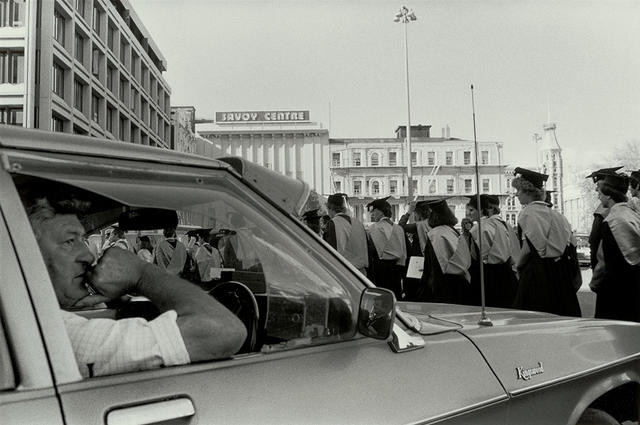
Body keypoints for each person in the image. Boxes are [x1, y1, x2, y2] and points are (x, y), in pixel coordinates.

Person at [23, 191, 246, 378]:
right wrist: (140, 274)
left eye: (83, 240)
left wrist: (120, 301)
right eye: (69, 241)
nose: (88, 255)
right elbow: (225, 331)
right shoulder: (62, 335)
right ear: (24, 254)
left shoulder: (31, 323)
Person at [511, 167, 581, 316]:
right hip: (561, 274)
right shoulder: (557, 215)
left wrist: (518, 265)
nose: (516, 194)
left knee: (534, 317)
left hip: (538, 273)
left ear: (527, 191)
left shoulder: (527, 213)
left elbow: (529, 248)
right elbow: (571, 245)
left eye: (518, 190)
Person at [589, 171, 640, 322]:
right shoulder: (633, 215)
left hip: (615, 289)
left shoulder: (612, 220)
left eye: (599, 192)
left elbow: (602, 261)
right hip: (635, 285)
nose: (598, 196)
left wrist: (594, 283)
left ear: (608, 194)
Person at [467, 194, 519, 308]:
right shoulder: (503, 224)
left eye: (471, 209)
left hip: (488, 278)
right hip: (506, 275)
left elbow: (476, 256)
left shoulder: (478, 228)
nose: (468, 213)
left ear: (481, 210)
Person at [420, 198, 471, 304]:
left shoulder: (435, 234)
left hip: (443, 285)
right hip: (458, 280)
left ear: (433, 214)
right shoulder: (451, 230)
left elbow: (432, 265)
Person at [365, 197, 407, 300]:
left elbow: (370, 251)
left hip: (380, 270)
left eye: (373, 211)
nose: (372, 215)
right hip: (397, 270)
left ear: (380, 211)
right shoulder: (399, 228)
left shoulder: (373, 228)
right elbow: (404, 253)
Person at [586, 166, 623, 270]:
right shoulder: (628, 207)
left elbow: (594, 242)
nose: (596, 189)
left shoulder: (603, 211)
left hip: (608, 268)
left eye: (598, 185)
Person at [323, 193, 368, 274]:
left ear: (330, 208)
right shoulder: (358, 223)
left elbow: (330, 250)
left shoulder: (332, 223)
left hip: (344, 271)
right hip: (361, 273)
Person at [398, 201, 430, 301]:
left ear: (418, 214)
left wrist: (408, 212)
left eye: (415, 213)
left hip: (418, 260)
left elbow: (400, 226)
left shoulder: (419, 225)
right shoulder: (433, 224)